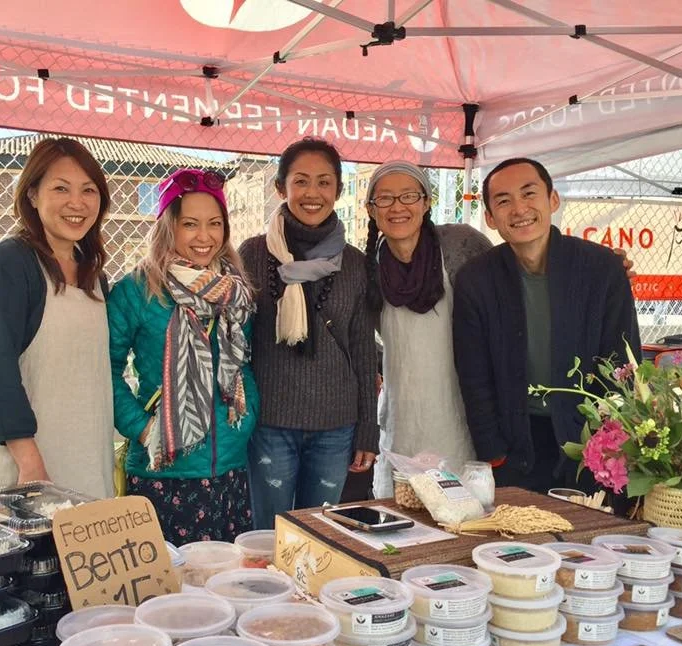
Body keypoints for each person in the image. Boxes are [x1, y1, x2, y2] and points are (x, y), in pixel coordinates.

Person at [452, 157, 642, 494]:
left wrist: (613, 443)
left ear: (552, 200)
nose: (519, 209)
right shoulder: (476, 280)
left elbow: (624, 364)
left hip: (591, 441)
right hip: (516, 443)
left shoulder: (602, 270)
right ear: (490, 218)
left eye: (529, 194)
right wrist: (493, 452)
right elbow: (473, 374)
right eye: (503, 201)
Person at [107, 168, 258, 545]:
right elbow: (103, 370)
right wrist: (142, 428)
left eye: (214, 224)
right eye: (190, 224)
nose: (204, 237)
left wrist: (247, 414)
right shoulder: (136, 290)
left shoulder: (235, 291)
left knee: (222, 585)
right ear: (168, 226)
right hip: (163, 469)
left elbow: (244, 365)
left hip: (229, 464)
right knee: (170, 590)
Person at [240, 137, 379, 529]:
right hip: (270, 422)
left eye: (324, 182)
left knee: (320, 534)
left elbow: (364, 352)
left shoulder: (353, 264)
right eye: (301, 181)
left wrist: (368, 428)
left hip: (336, 426)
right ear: (280, 188)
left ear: (338, 189)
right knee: (269, 533)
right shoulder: (252, 254)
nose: (312, 193)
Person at [0, 137, 114, 498]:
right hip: (29, 470)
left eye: (88, 190)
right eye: (61, 188)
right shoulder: (10, 263)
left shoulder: (94, 275)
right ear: (32, 194)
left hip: (87, 460)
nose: (77, 203)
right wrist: (30, 463)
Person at [362, 161, 495, 498]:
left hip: (460, 415)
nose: (397, 207)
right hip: (402, 417)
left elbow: (512, 279)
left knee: (461, 509)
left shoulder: (460, 244)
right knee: (403, 515)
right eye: (385, 199)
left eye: (408, 196)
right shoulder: (368, 265)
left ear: (426, 201)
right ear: (370, 210)